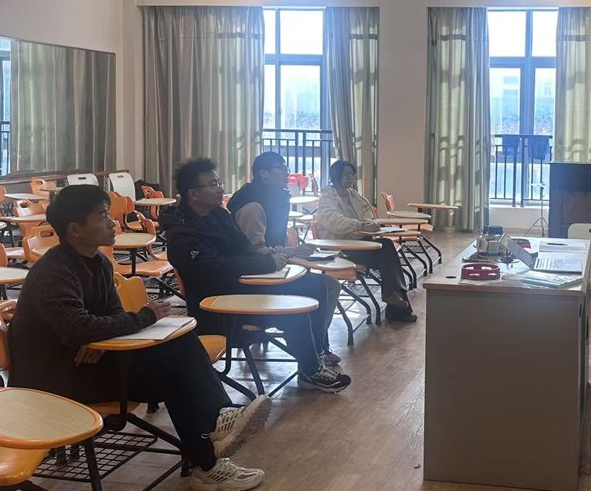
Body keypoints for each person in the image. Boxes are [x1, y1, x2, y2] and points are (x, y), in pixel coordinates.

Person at [8, 185, 271, 491]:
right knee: (176, 370)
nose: (113, 223)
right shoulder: (54, 273)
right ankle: (212, 450)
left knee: (178, 349)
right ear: (75, 230)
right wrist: (141, 317)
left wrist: (97, 337)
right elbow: (79, 328)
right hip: (54, 382)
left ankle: (213, 443)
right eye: (102, 217)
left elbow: (108, 318)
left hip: (86, 365)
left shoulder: (98, 262)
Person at [160, 158, 351, 393]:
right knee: (295, 308)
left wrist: (280, 254)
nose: (220, 188)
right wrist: (266, 263)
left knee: (318, 284)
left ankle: (314, 357)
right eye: (212, 185)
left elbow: (246, 248)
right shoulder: (181, 233)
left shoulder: (219, 215)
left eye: (219, 182)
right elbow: (217, 270)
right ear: (193, 194)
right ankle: (311, 371)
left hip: (244, 287)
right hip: (219, 305)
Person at [228, 151, 343, 365]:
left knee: (330, 285)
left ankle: (317, 348)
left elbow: (273, 244)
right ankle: (313, 357)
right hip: (254, 280)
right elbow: (254, 252)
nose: (286, 173)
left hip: (273, 269)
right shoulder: (252, 206)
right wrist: (292, 252)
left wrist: (293, 251)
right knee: (319, 288)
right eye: (280, 169)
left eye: (286, 168)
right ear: (263, 173)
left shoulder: (276, 197)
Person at [314, 160, 416, 323]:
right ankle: (396, 306)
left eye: (352, 174)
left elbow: (367, 212)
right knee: (388, 254)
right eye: (346, 174)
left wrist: (368, 223)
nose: (350, 177)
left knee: (387, 247)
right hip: (340, 248)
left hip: (358, 243)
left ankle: (393, 297)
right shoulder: (327, 198)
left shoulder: (353, 195)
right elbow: (334, 221)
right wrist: (360, 225)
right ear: (336, 176)